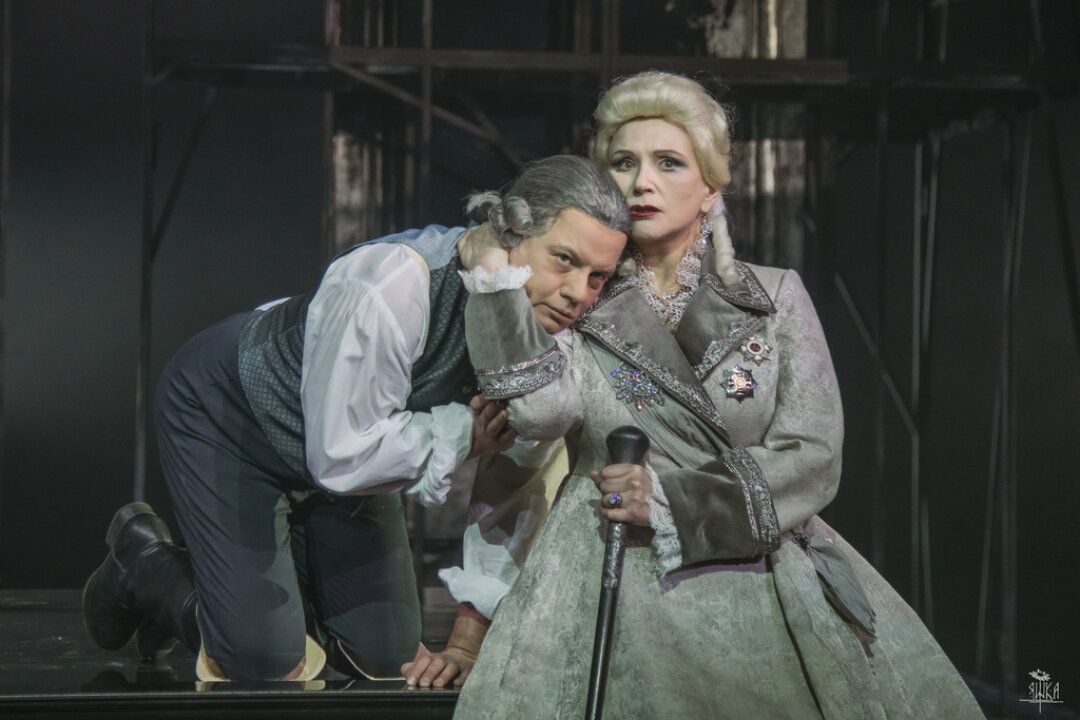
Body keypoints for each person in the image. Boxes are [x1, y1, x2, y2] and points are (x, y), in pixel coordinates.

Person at [417, 72, 986, 718]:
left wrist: (672, 501)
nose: (642, 182)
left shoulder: (773, 298)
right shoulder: (580, 295)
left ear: (710, 186)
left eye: (668, 162)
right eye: (623, 163)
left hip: (757, 579)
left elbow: (814, 453)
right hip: (606, 575)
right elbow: (538, 422)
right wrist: (495, 283)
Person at [81, 155, 629, 683]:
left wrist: (467, 643)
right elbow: (341, 456)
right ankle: (144, 564)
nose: (577, 294)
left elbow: (516, 487)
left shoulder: (546, 347)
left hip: (348, 453)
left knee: (387, 657)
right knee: (265, 661)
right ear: (511, 232)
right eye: (564, 260)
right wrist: (466, 432)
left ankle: (254, 596)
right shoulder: (394, 283)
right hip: (234, 415)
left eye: (598, 277)